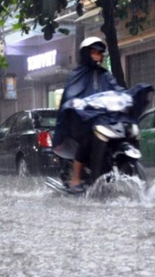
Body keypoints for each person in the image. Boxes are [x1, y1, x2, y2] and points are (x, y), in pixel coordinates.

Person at [52, 37, 125, 193]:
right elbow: (70, 95)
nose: (97, 56)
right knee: (87, 139)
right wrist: (78, 105)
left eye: (99, 53)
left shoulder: (105, 75)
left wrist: (126, 97)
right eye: (94, 52)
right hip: (82, 122)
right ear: (86, 54)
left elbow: (116, 89)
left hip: (104, 119)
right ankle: (76, 178)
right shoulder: (76, 75)